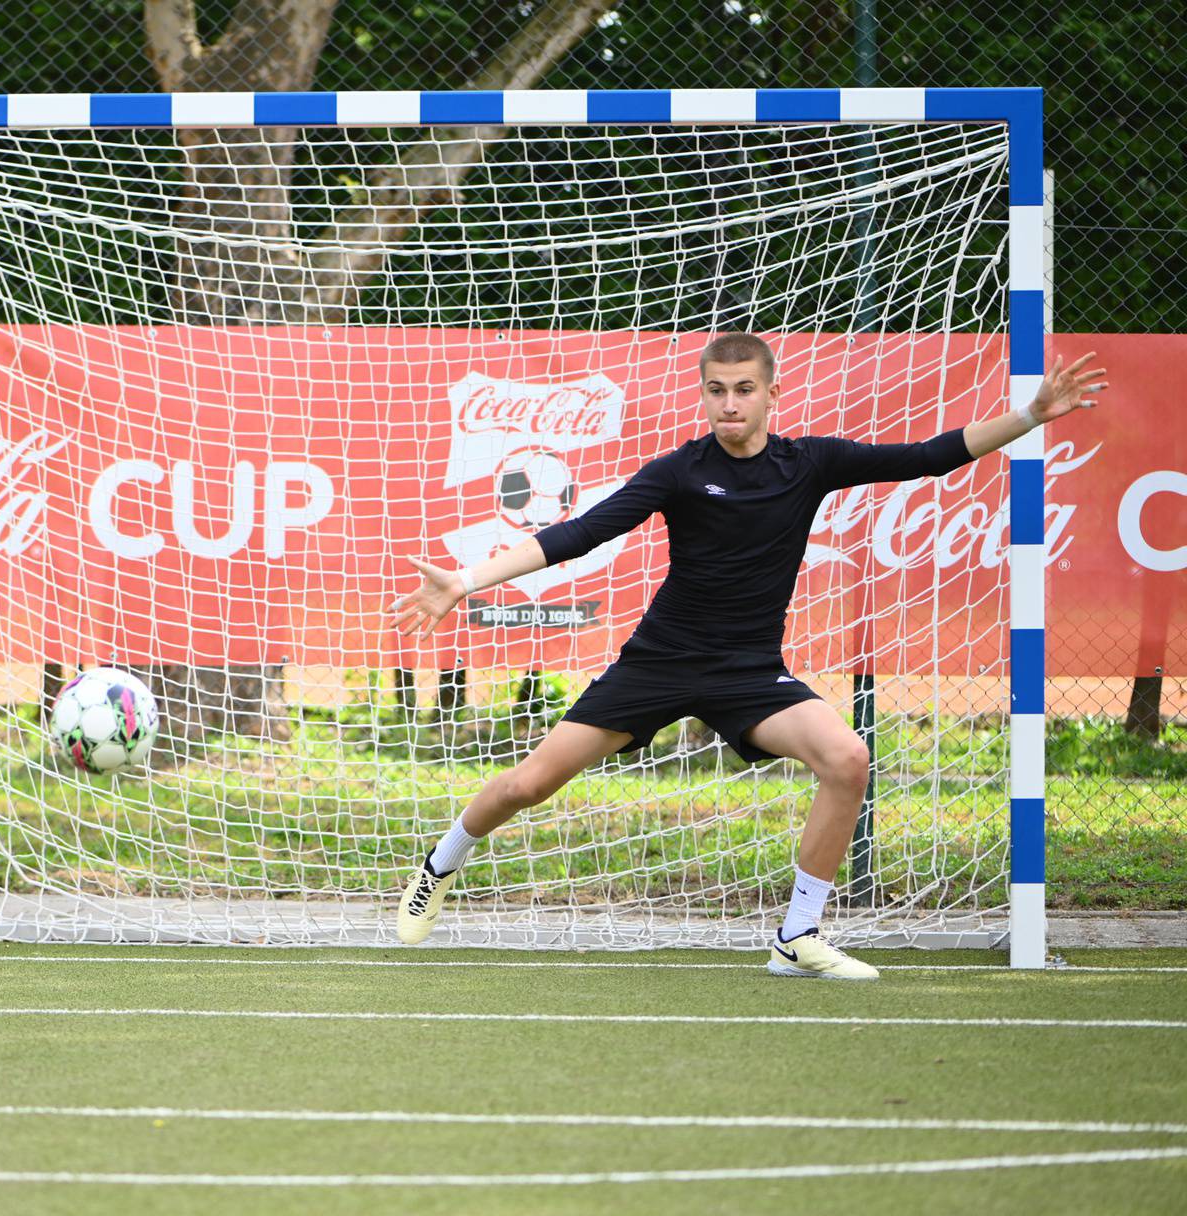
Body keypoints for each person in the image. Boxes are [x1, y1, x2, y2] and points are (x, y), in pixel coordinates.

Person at [390, 332, 1106, 977]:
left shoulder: (809, 463)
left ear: (770, 392)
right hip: (659, 662)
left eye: (743, 389)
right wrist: (466, 580)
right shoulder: (678, 471)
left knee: (848, 759)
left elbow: (925, 457)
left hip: (748, 673)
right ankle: (440, 863)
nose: (729, 404)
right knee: (526, 786)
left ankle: (797, 937)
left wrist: (1029, 416)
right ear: (703, 393)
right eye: (716, 390)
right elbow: (577, 533)